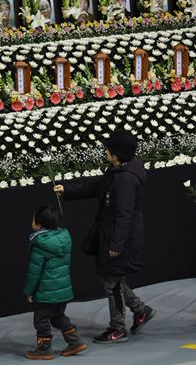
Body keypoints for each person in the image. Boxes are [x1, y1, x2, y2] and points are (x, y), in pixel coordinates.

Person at [53, 130, 155, 344]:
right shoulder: (117, 171)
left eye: (109, 148)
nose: (105, 150)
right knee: (113, 281)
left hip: (120, 240)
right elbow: (97, 187)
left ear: (118, 154)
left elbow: (123, 215)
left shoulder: (125, 181)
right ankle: (140, 310)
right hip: (112, 235)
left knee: (112, 284)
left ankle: (118, 329)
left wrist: (116, 244)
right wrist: (68, 191)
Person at [23, 205, 87, 360]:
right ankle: (75, 342)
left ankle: (44, 349)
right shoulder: (64, 237)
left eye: (33, 219)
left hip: (46, 292)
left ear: (38, 224)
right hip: (63, 290)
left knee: (41, 320)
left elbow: (34, 272)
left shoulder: (40, 243)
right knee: (58, 317)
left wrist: (29, 292)